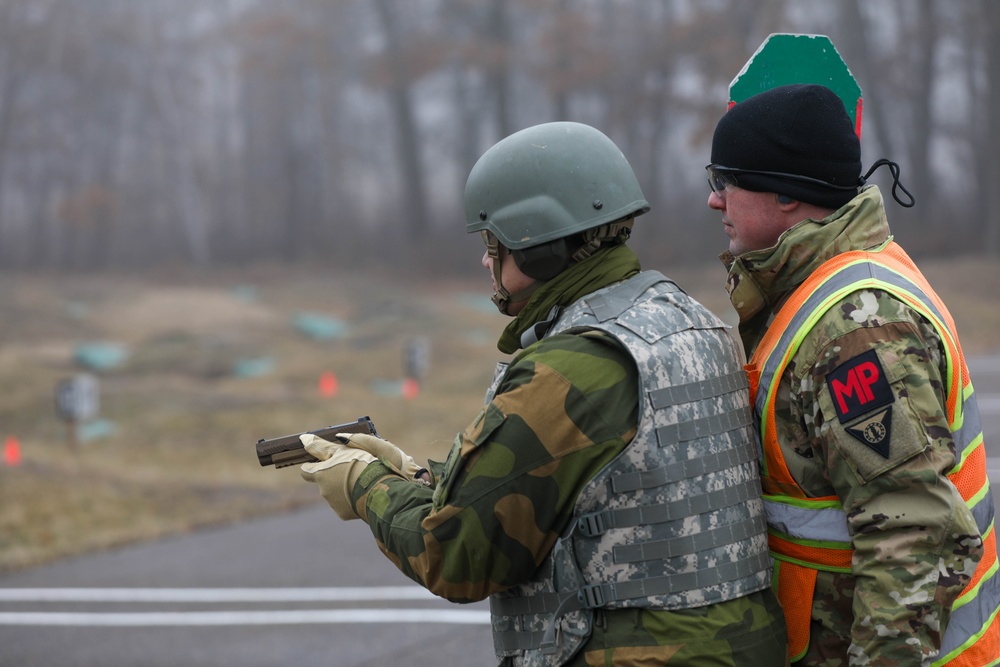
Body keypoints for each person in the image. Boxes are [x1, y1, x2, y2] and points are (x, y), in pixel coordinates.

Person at [298, 121, 788, 665]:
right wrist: (419, 478)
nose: (487, 259)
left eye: (494, 243)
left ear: (536, 246)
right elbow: (617, 487)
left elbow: (457, 555)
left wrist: (365, 487)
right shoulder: (692, 322)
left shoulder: (573, 368)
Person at [706, 83, 1000, 666]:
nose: (715, 201)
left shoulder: (853, 329)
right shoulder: (830, 283)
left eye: (726, 180)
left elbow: (914, 533)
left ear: (788, 195)